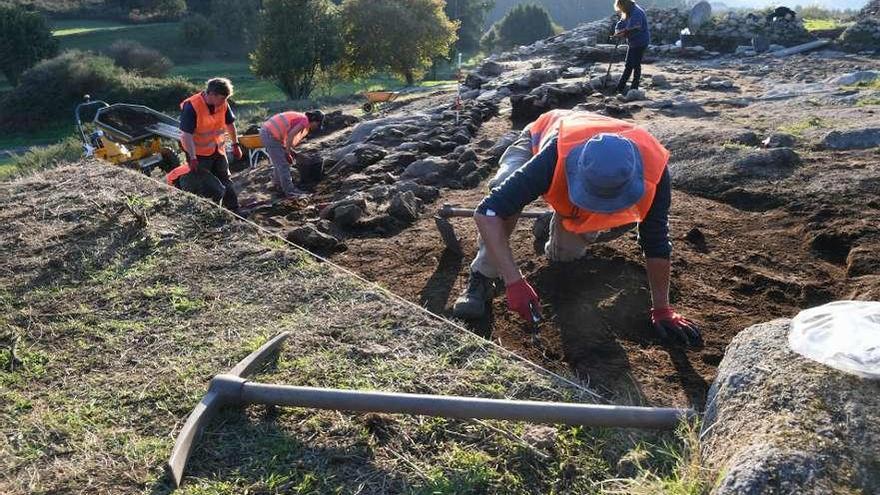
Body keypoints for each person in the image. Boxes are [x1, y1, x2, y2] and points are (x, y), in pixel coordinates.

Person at [452, 109, 701, 345]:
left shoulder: (655, 171)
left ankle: (553, 230)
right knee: (505, 195)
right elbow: (488, 212)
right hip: (538, 138)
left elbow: (655, 241)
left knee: (567, 255)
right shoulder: (552, 159)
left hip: (583, 163)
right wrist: (513, 280)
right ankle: (482, 277)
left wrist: (662, 308)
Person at [178, 77, 243, 211]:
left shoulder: (223, 103)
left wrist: (236, 144)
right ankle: (211, 213)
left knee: (225, 179)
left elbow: (230, 124)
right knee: (205, 185)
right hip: (198, 155)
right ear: (211, 94)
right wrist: (193, 157)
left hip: (218, 150)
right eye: (222, 98)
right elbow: (186, 135)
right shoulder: (191, 106)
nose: (224, 102)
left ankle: (234, 210)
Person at [259, 110, 324, 198]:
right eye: (317, 124)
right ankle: (290, 191)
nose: (316, 127)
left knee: (279, 163)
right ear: (314, 120)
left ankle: (278, 185)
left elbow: (286, 137)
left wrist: (291, 151)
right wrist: (288, 153)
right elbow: (290, 136)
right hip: (270, 134)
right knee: (283, 164)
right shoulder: (304, 121)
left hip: (268, 132)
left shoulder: (301, 118)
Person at [612, 0, 650, 95]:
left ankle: (634, 88)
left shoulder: (637, 12)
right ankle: (620, 87)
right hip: (633, 42)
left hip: (640, 42)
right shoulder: (628, 11)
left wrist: (623, 33)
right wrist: (617, 30)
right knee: (628, 65)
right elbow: (622, 22)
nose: (621, 10)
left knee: (636, 64)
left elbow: (635, 29)